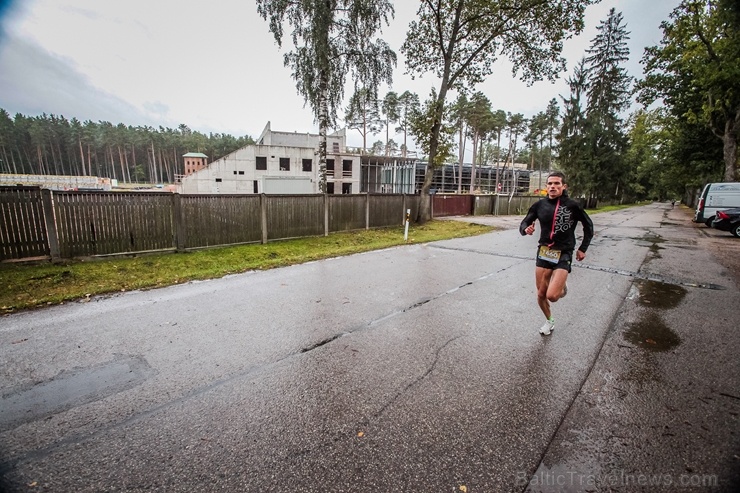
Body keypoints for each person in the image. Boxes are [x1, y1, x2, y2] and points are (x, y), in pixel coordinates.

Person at [519, 172, 594, 336]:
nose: (552, 187)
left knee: (552, 295)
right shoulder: (539, 205)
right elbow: (524, 222)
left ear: (563, 186)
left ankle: (561, 288)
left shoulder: (573, 206)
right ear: (546, 187)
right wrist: (526, 229)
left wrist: (583, 248)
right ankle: (549, 321)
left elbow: (588, 226)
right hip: (544, 252)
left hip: (563, 252)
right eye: (550, 184)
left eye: (556, 184)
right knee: (540, 294)